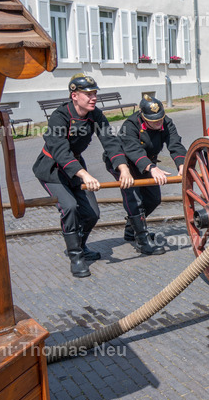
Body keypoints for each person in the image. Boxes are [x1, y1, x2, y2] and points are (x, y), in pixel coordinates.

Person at [32, 73, 133, 278]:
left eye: (94, 93)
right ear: (74, 95)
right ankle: (76, 256)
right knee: (69, 207)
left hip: (76, 167)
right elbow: (60, 151)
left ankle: (81, 244)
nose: (93, 97)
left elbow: (110, 141)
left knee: (92, 213)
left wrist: (124, 168)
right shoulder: (59, 117)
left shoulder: (95, 114)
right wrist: (84, 174)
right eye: (88, 94)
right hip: (52, 168)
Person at [106, 92, 186, 255]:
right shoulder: (130, 125)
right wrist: (151, 168)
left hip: (146, 162)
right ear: (143, 117)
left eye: (160, 119)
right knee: (134, 198)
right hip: (124, 163)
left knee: (153, 199)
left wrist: (182, 164)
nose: (158, 123)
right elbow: (133, 150)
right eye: (153, 121)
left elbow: (175, 144)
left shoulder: (166, 122)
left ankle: (131, 230)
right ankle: (142, 241)